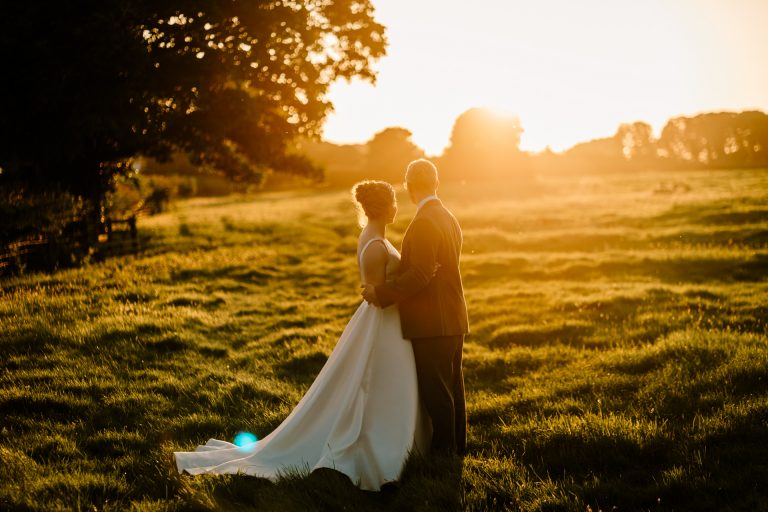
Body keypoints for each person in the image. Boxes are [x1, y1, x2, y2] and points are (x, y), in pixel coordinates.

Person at [174, 181, 429, 491]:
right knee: (375, 383)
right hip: (382, 324)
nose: (396, 208)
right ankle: (375, 450)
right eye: (393, 203)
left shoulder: (375, 237)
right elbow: (375, 296)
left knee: (382, 384)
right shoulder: (375, 244)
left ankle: (390, 441)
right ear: (383, 208)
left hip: (388, 321)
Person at [362, 159, 469, 455]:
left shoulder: (424, 222)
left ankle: (444, 453)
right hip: (453, 316)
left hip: (433, 321)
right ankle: (456, 450)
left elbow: (421, 275)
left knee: (437, 391)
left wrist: (380, 293)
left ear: (409, 187)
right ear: (435, 183)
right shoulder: (447, 216)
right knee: (452, 389)